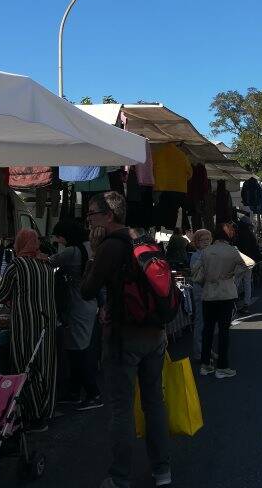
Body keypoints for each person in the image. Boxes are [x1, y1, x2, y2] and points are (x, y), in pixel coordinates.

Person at [79, 191, 171, 488]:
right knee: (154, 403)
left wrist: (94, 252)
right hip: (155, 334)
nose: (88, 218)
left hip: (124, 337)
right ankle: (162, 470)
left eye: (92, 213)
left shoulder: (110, 246)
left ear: (109, 215)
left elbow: (87, 290)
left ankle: (120, 477)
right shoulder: (143, 240)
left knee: (121, 409)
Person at [0, 229, 57, 431]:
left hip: (26, 324)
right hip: (47, 323)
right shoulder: (46, 264)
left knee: (26, 366)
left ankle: (32, 416)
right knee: (44, 366)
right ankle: (45, 412)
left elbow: (1, 295)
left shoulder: (17, 265)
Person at [50, 219, 101, 411]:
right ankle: (75, 391)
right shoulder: (89, 247)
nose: (57, 240)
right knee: (78, 348)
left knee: (78, 350)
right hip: (89, 302)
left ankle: (93, 393)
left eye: (59, 236)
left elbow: (48, 262)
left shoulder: (71, 251)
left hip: (78, 304)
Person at [193, 224, 247, 377]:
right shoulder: (232, 251)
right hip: (225, 293)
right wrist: (233, 278)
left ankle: (205, 365)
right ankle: (222, 367)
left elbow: (196, 271)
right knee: (224, 331)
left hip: (208, 293)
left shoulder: (206, 252)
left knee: (207, 330)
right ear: (227, 236)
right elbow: (245, 266)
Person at [189, 229, 213, 360]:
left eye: (208, 240)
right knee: (201, 322)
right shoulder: (195, 256)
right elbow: (197, 275)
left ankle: (207, 349)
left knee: (209, 324)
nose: (206, 242)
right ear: (197, 242)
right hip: (201, 293)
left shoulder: (210, 254)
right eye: (202, 240)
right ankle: (199, 351)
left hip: (211, 292)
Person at [235, 216, 262, 313]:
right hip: (249, 262)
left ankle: (233, 302)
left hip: (240, 261)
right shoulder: (250, 234)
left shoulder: (239, 234)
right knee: (247, 282)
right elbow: (255, 248)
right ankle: (246, 302)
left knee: (236, 282)